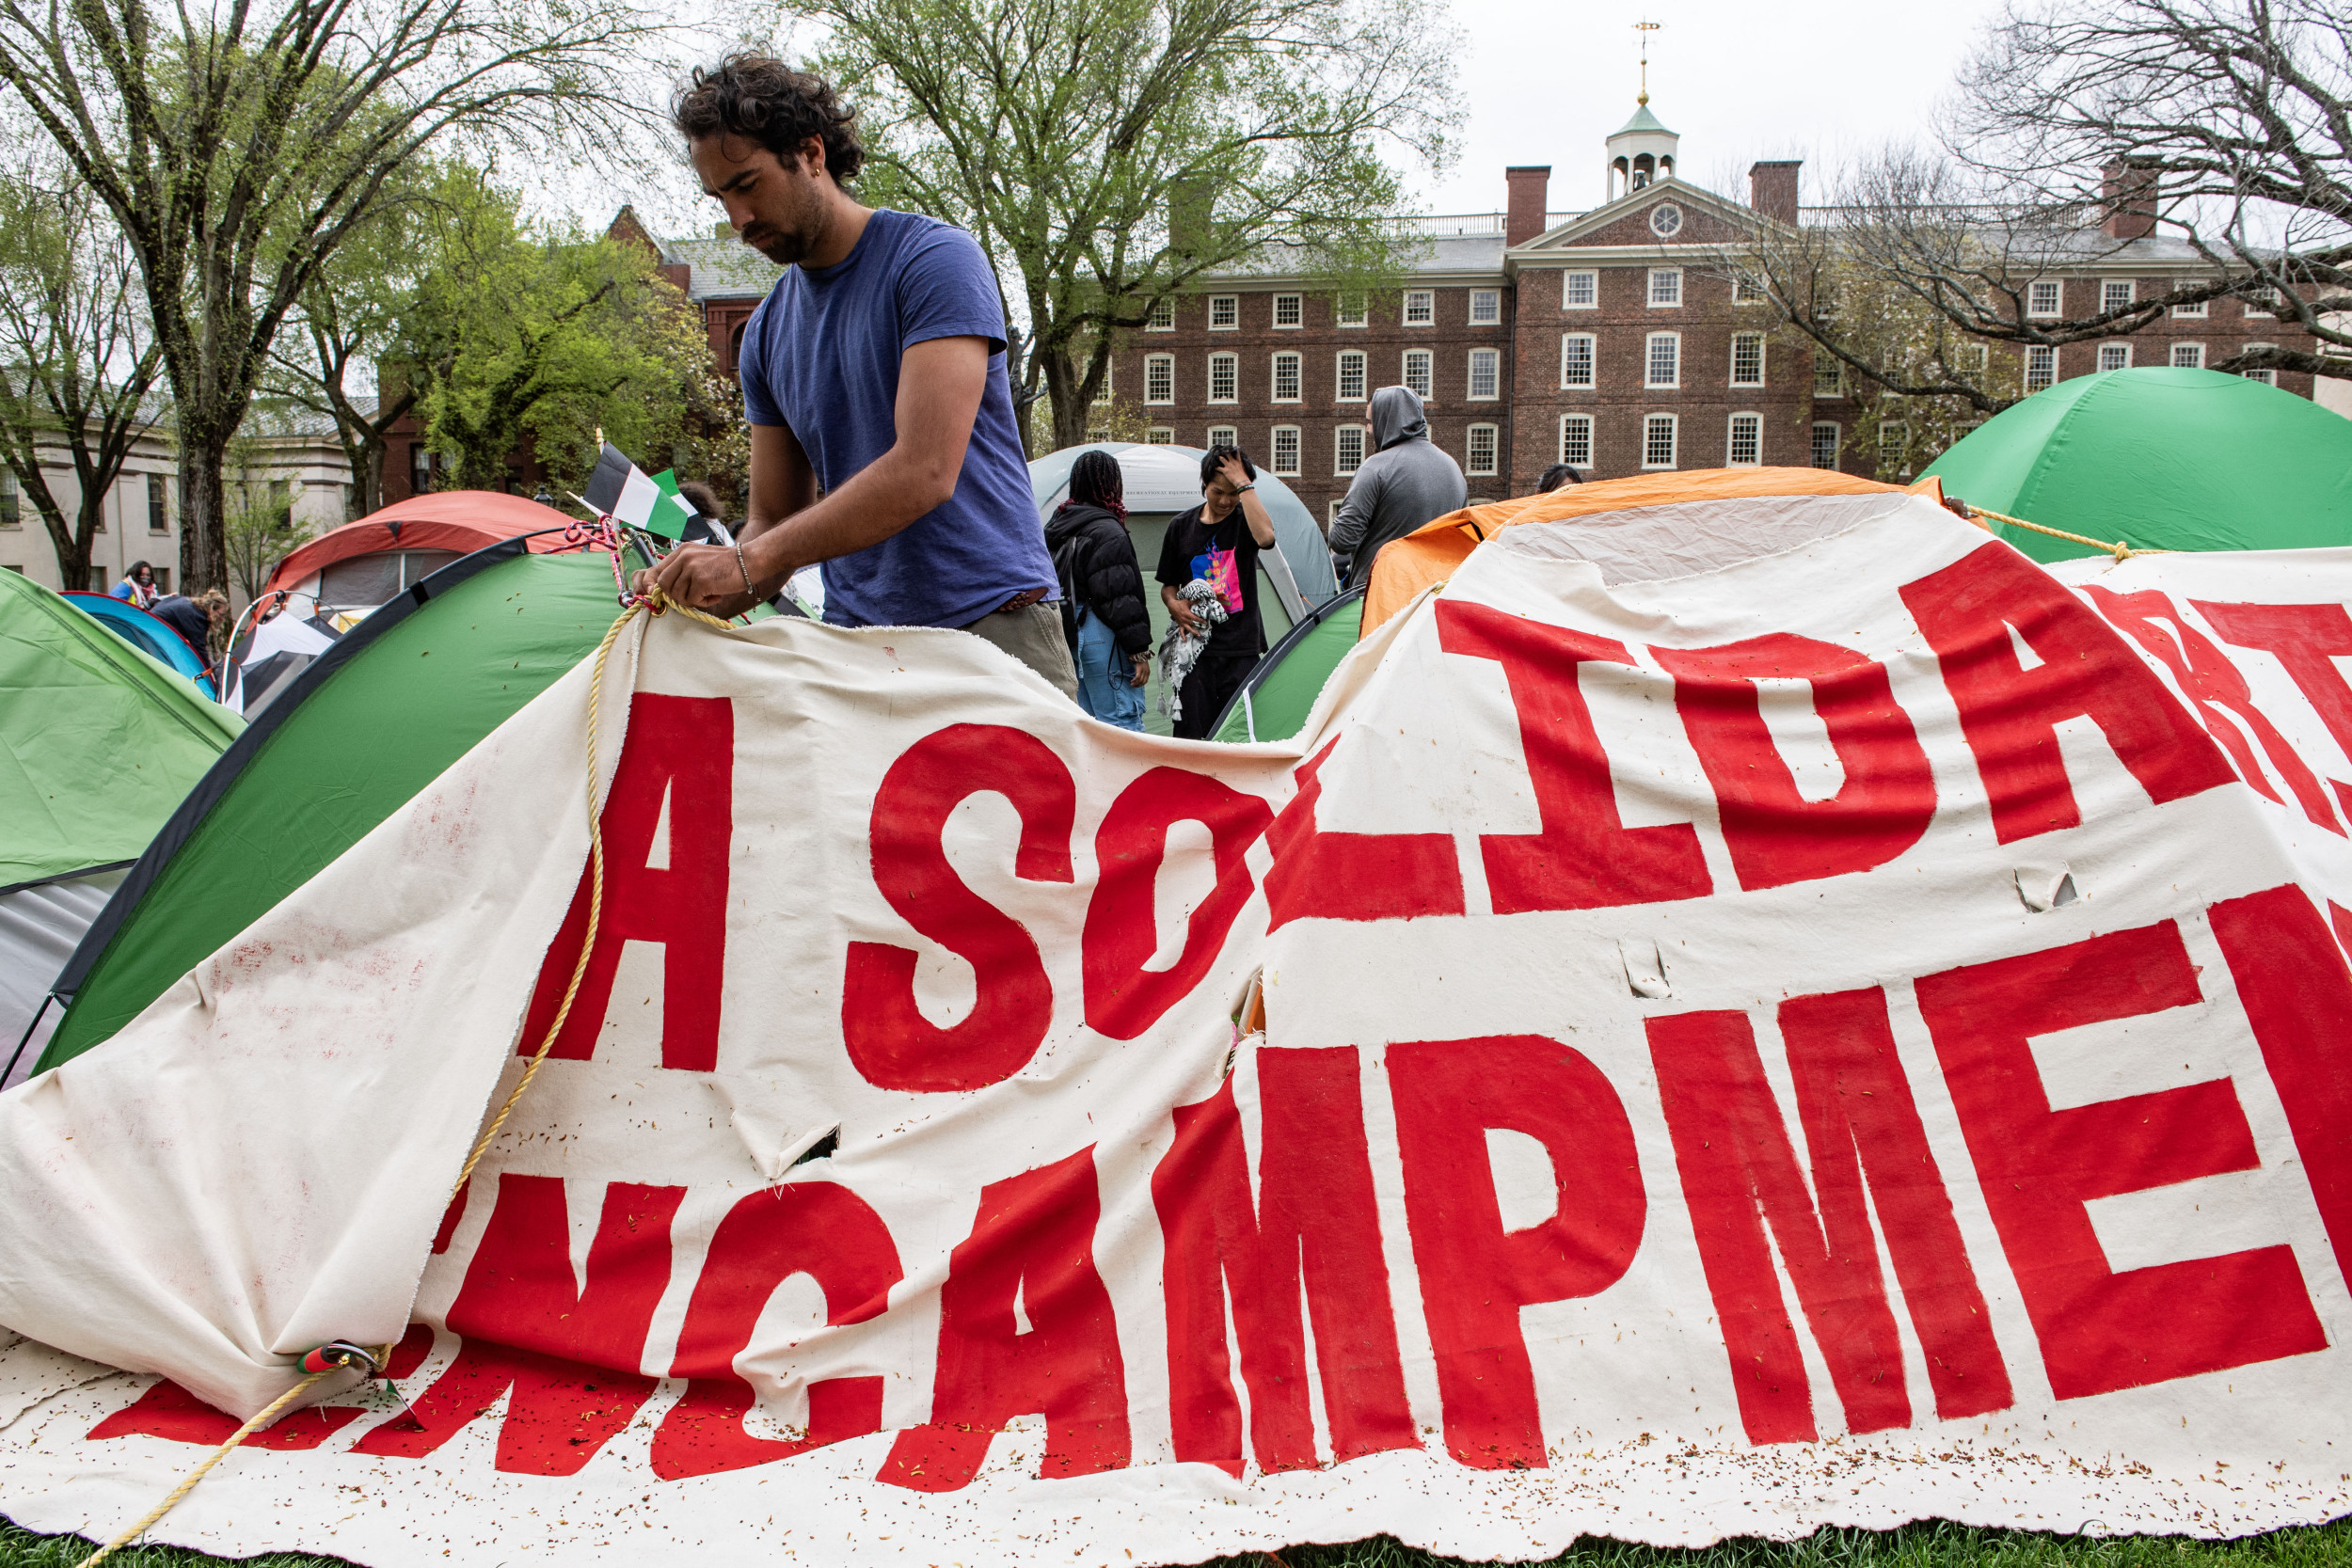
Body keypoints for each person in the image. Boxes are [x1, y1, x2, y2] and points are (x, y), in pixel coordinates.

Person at [636, 55, 1076, 698]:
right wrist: (701, 582)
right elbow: (771, 519)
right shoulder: (764, 334)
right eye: (721, 196)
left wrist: (752, 561)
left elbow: (925, 470)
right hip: (857, 647)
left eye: (748, 184)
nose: (737, 219)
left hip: (991, 630)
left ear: (811, 153)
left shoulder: (934, 262)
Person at [1157, 445, 1276, 740]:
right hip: (1194, 654)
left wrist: (1244, 484)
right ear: (1204, 486)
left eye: (1232, 493)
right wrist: (1173, 605)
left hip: (1241, 652)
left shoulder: (1245, 522)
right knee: (1192, 741)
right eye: (1217, 491)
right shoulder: (1180, 528)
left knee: (1240, 738)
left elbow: (1267, 538)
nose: (1225, 501)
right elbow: (1168, 585)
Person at [1045, 451, 1152, 731]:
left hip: (1068, 634)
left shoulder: (1057, 527)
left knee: (1088, 726)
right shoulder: (1107, 529)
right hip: (1101, 632)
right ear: (1112, 484)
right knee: (1122, 723)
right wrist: (1138, 650)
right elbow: (1119, 596)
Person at [1326, 386, 1467, 590]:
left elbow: (1341, 539)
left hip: (1382, 594)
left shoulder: (1376, 467)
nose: (1368, 430)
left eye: (1370, 422)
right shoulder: (1453, 468)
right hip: (1433, 594)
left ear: (1386, 421)